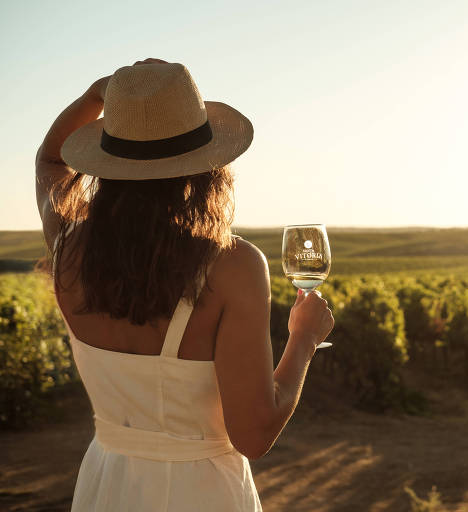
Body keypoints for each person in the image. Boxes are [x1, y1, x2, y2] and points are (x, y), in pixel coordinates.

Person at [35, 58, 334, 511]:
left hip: (107, 483)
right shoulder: (232, 266)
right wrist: (304, 339)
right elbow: (254, 435)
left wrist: (99, 96)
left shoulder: (67, 245)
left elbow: (50, 160)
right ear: (208, 166)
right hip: (203, 493)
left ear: (106, 160)